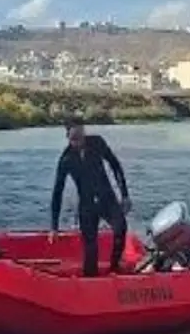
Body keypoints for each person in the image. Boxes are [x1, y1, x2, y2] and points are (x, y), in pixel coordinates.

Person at [49, 117, 132, 276]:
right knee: (91, 248)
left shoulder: (97, 142)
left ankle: (114, 267)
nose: (79, 141)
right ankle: (91, 281)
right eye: (74, 138)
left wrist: (125, 195)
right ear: (68, 136)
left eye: (81, 137)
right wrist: (54, 226)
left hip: (107, 198)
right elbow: (57, 192)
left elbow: (115, 166)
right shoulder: (66, 159)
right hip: (87, 205)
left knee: (121, 228)